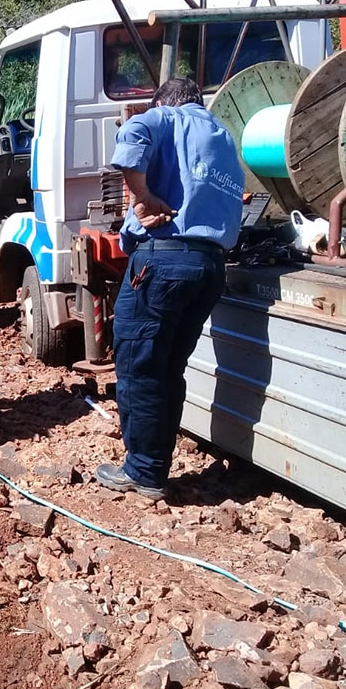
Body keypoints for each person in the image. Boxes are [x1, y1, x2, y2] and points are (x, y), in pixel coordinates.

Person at [95, 77, 244, 499]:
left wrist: (141, 196)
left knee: (139, 365)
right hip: (210, 267)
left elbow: (131, 134)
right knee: (168, 368)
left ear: (165, 103)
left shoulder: (166, 117)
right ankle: (154, 467)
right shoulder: (223, 136)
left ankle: (143, 470)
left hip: (164, 262)